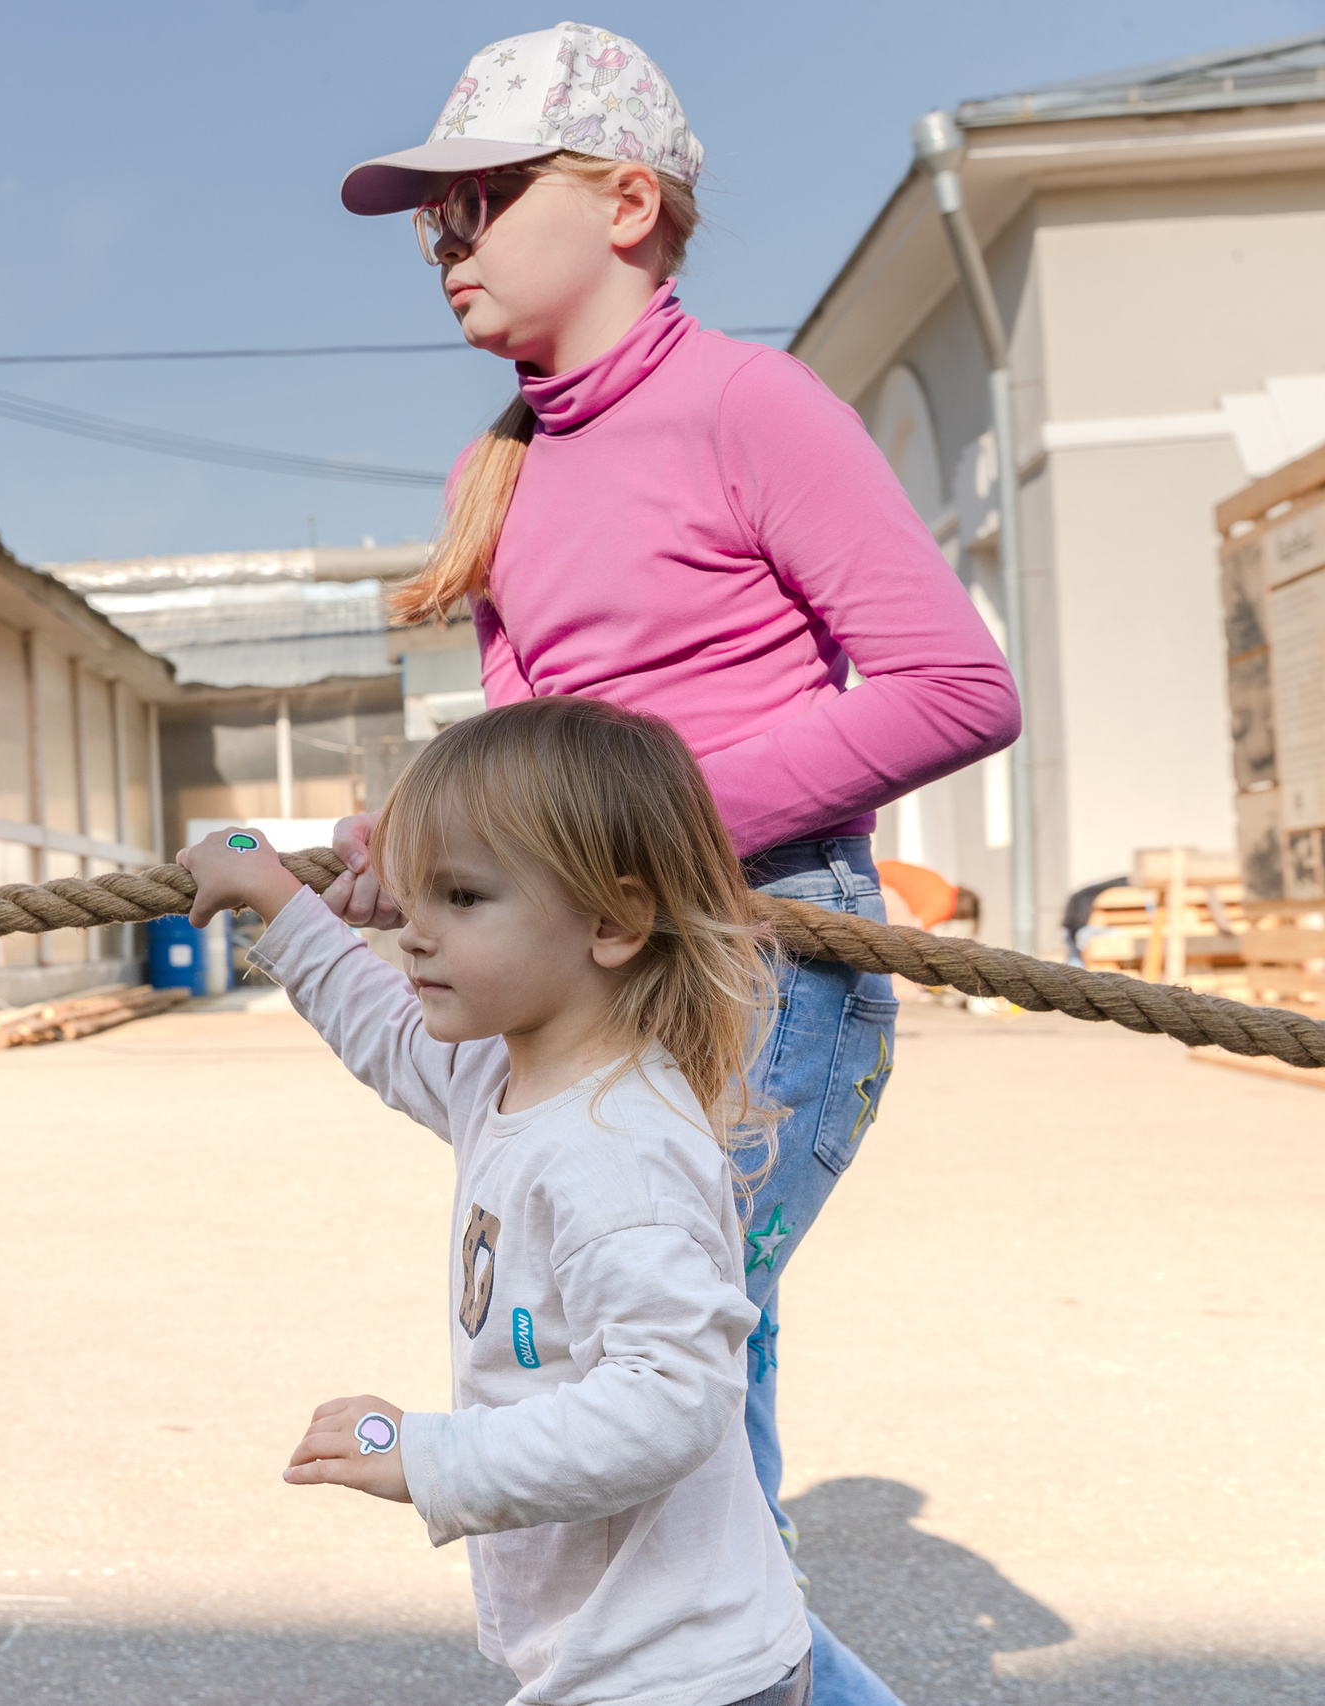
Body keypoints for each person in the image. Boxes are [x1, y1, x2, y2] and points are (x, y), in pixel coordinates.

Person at [319, 24, 1022, 1705]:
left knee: (680, 1417)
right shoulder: (503, 472)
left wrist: (642, 825)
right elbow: (530, 786)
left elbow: (954, 686)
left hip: (758, 967)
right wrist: (421, 852)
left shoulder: (748, 405)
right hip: (601, 964)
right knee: (643, 1414)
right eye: (433, 219)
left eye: (481, 201)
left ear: (627, 201)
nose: (449, 244)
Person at [183, 696, 814, 1706]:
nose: (414, 934)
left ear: (613, 919)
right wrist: (274, 885)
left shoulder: (617, 1150)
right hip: (613, 1656)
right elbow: (385, 1031)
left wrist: (426, 1450)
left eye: (463, 897)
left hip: (675, 1678)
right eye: (413, 894)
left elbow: (670, 1397)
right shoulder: (508, 1073)